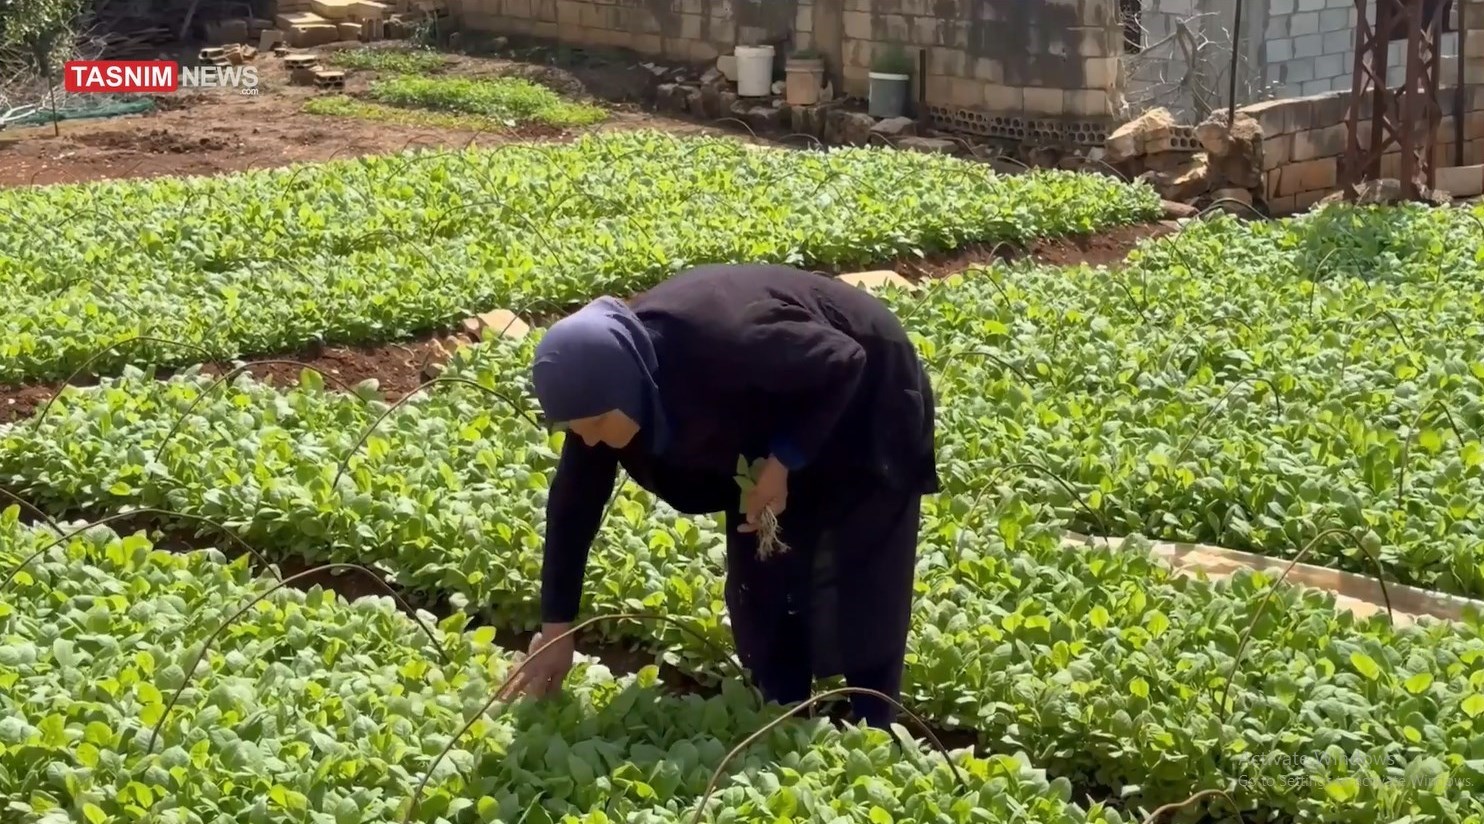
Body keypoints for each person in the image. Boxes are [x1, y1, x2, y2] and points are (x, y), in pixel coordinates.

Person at [503, 263, 938, 728]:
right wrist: (556, 629)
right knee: (764, 577)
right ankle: (783, 714)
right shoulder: (600, 393)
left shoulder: (724, 341)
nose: (587, 441)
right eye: (576, 430)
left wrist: (783, 460)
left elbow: (843, 360)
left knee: (860, 574)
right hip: (778, 410)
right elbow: (574, 506)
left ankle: (875, 722)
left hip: (866, 392)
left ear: (625, 392)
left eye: (593, 427)